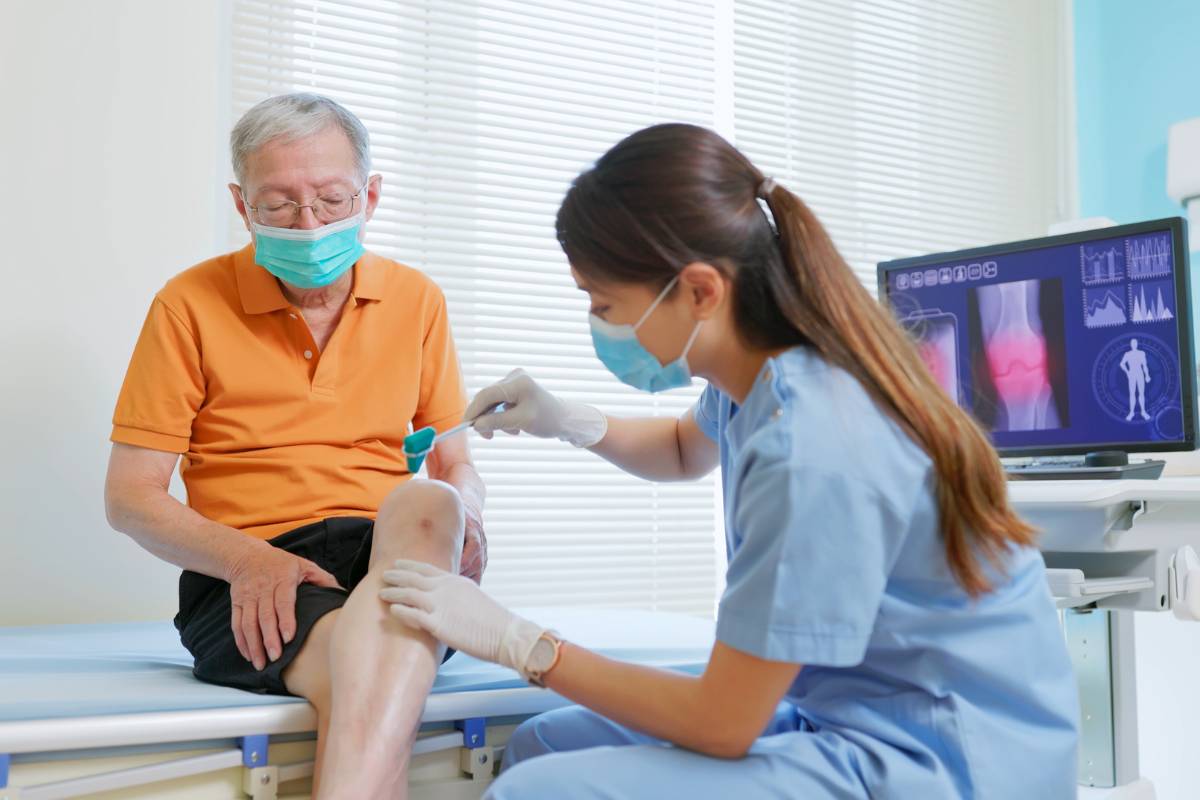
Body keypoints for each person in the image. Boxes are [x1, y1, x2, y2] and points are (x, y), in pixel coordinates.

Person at [380, 123, 1079, 799]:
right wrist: (565, 420)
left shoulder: (814, 443)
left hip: (946, 759)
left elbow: (722, 722)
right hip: (860, 712)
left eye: (604, 303)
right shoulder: (761, 375)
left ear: (701, 290)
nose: (599, 325)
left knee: (539, 791)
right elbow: (686, 449)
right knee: (547, 742)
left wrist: (519, 641)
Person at [104, 93, 485, 799]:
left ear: (370, 194)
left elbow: (456, 459)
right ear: (241, 204)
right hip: (249, 573)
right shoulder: (187, 305)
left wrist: (471, 515)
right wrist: (248, 559)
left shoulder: (417, 300)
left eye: (332, 200)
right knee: (367, 665)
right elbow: (129, 498)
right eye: (277, 204)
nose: (308, 224)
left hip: (391, 552)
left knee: (431, 502)